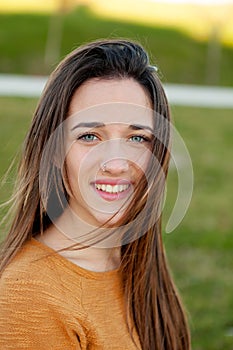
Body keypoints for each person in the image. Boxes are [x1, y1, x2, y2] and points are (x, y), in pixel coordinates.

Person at [0, 39, 190, 349]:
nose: (115, 164)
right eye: (90, 136)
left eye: (138, 138)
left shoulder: (133, 262)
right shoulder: (30, 297)